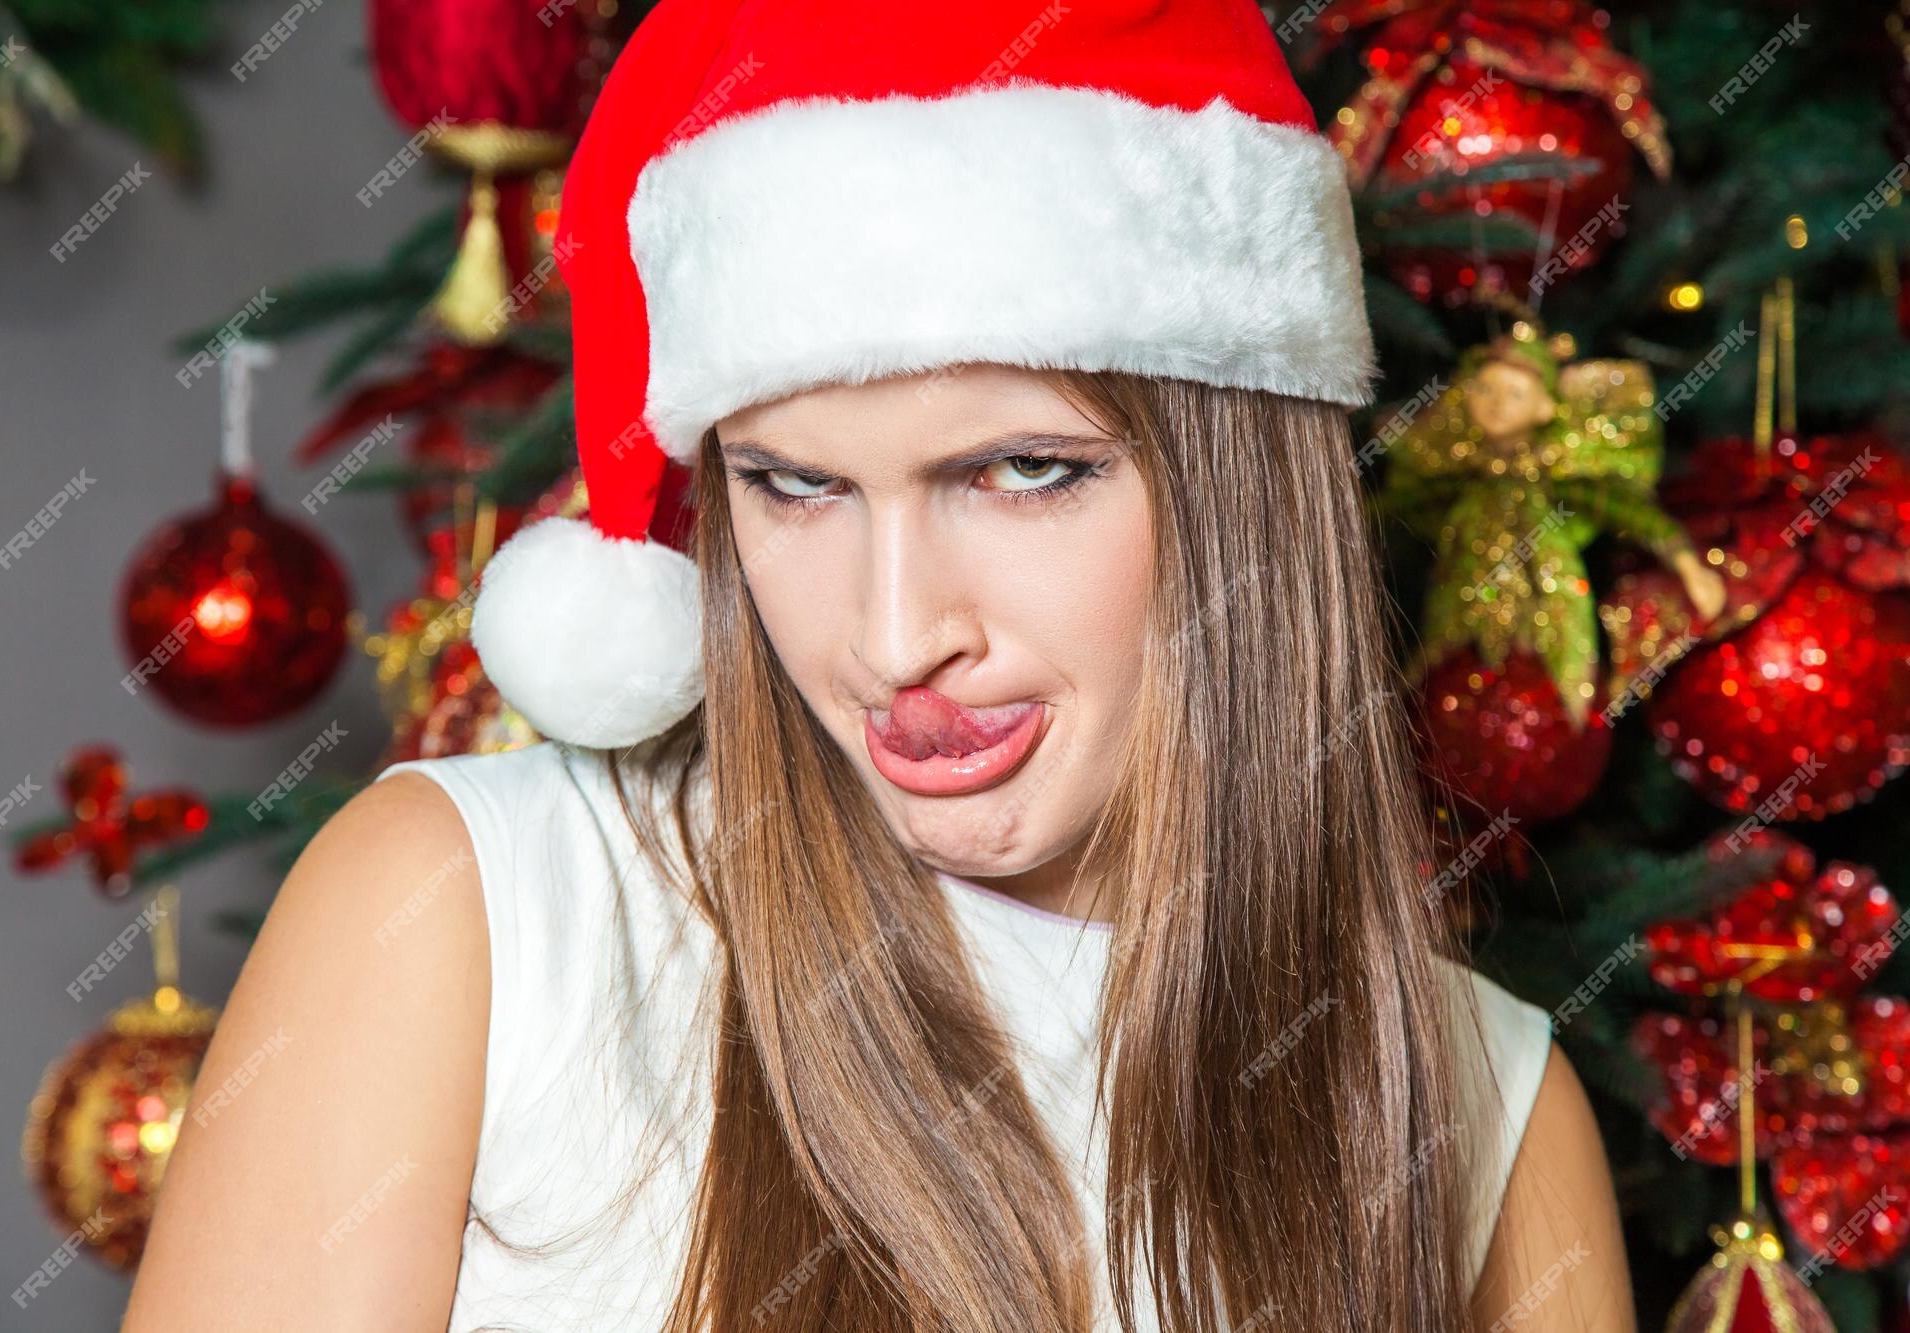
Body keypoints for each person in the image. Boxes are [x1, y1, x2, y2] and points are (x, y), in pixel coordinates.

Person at [124, 1, 1635, 1329]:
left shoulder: (1485, 1114)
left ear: (1237, 488)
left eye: (1023, 470)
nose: (898, 633)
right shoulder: (471, 919)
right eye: (795, 484)